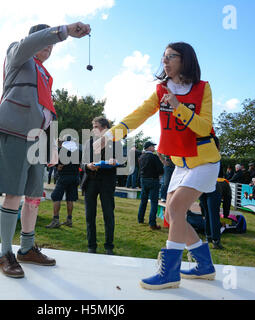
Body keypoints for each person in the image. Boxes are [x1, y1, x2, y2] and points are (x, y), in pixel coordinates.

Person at [95, 42, 220, 290]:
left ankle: (170, 274)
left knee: (174, 208)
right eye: (163, 56)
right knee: (174, 215)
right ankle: (204, 265)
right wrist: (110, 135)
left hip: (204, 160)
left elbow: (205, 127)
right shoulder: (160, 90)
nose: (165, 60)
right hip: (179, 165)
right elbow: (139, 114)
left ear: (185, 60)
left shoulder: (203, 89)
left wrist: (178, 108)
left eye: (171, 56)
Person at [0, 22, 91, 278]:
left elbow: (47, 110)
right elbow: (29, 44)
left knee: (34, 197)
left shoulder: (44, 74)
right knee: (13, 194)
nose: (48, 47)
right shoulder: (17, 53)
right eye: (45, 41)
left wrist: (52, 144)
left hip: (37, 139)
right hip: (14, 131)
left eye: (52, 45)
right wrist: (64, 31)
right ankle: (4, 254)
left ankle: (26, 249)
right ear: (32, 39)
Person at [82, 116, 120, 255]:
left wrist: (114, 161)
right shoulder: (88, 143)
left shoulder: (115, 142)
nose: (93, 129)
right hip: (90, 181)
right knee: (89, 215)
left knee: (108, 215)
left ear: (104, 128)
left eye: (95, 126)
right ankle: (91, 246)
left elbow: (122, 161)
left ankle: (109, 246)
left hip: (107, 182)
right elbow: (82, 162)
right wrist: (88, 165)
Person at [46, 136, 82, 228]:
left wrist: (58, 166)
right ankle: (69, 220)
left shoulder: (60, 150)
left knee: (56, 197)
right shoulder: (78, 151)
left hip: (64, 177)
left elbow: (55, 164)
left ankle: (56, 220)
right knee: (70, 199)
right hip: (75, 177)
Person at [137, 141, 164, 230]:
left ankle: (140, 219)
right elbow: (160, 169)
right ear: (148, 147)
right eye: (153, 146)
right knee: (154, 202)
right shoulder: (154, 157)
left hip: (143, 180)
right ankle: (152, 223)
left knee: (143, 201)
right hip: (153, 180)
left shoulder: (141, 157)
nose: (154, 148)